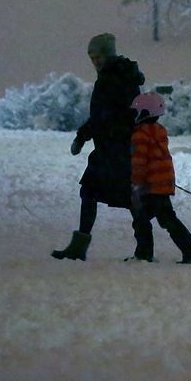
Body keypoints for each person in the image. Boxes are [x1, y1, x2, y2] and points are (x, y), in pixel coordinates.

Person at [51, 33, 144, 261]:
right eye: (92, 57)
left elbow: (108, 116)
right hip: (109, 148)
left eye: (98, 56)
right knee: (94, 192)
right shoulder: (114, 76)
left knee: (126, 197)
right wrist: (84, 136)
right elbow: (101, 116)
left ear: (108, 54)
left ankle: (144, 248)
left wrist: (83, 136)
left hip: (117, 149)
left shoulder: (115, 79)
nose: (95, 61)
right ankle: (81, 246)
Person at [125, 91, 191, 264]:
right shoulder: (159, 131)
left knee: (147, 218)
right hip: (163, 183)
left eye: (136, 112)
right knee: (156, 219)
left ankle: (147, 254)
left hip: (150, 187)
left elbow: (139, 161)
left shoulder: (140, 134)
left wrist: (135, 183)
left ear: (144, 113)